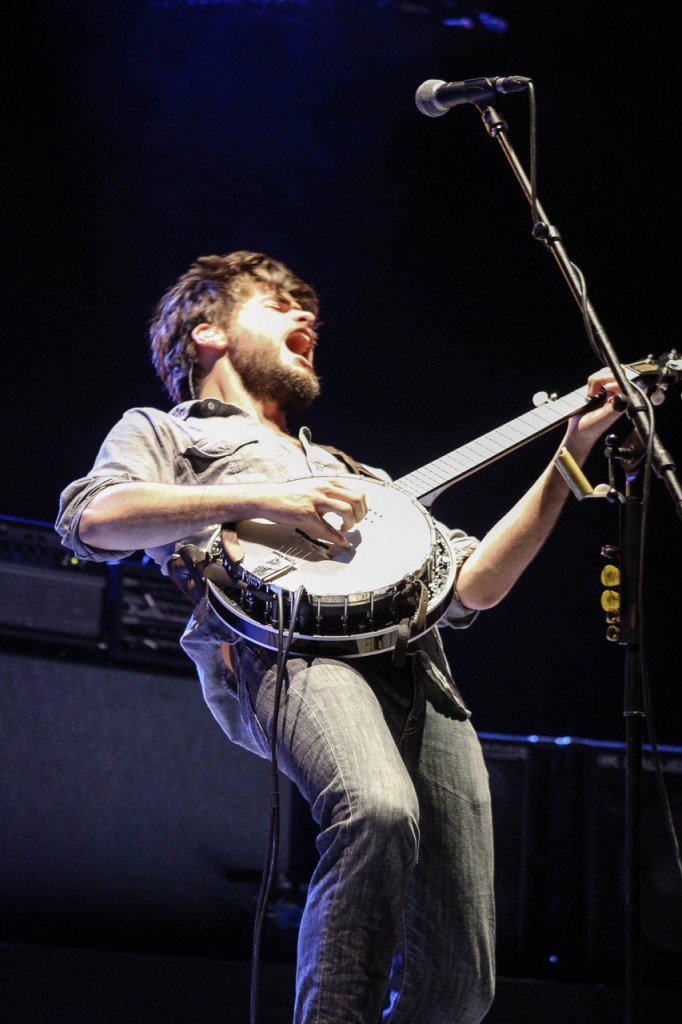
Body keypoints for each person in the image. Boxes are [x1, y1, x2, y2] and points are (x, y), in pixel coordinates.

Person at [55, 250, 622, 1024]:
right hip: (287, 652)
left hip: (422, 675)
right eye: (278, 304)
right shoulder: (163, 431)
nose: (307, 319)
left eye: (309, 311)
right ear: (207, 335)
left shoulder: (356, 475)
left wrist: (571, 453)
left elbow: (473, 586)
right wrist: (271, 497)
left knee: (460, 982)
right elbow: (90, 519)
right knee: (377, 807)